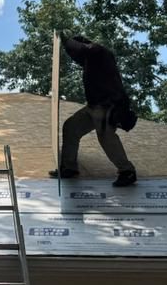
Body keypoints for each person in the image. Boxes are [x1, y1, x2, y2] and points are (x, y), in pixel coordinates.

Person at [50, 34, 138, 187]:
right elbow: (78, 53)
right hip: (94, 106)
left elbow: (78, 48)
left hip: (107, 105)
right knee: (71, 127)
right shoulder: (90, 58)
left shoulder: (97, 50)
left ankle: (127, 171)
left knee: (106, 137)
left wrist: (64, 39)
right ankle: (69, 168)